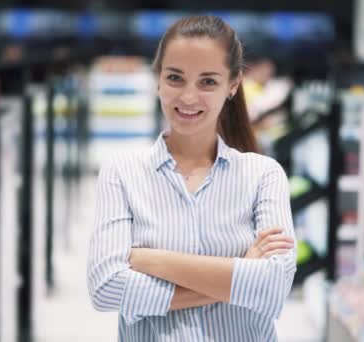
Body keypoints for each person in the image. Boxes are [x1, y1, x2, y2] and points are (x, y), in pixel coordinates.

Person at [87, 15, 297, 341]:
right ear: (158, 79)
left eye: (208, 82)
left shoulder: (264, 176)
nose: (188, 97)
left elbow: (274, 286)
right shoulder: (122, 172)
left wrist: (150, 260)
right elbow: (106, 288)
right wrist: (239, 273)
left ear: (233, 84)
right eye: (175, 78)